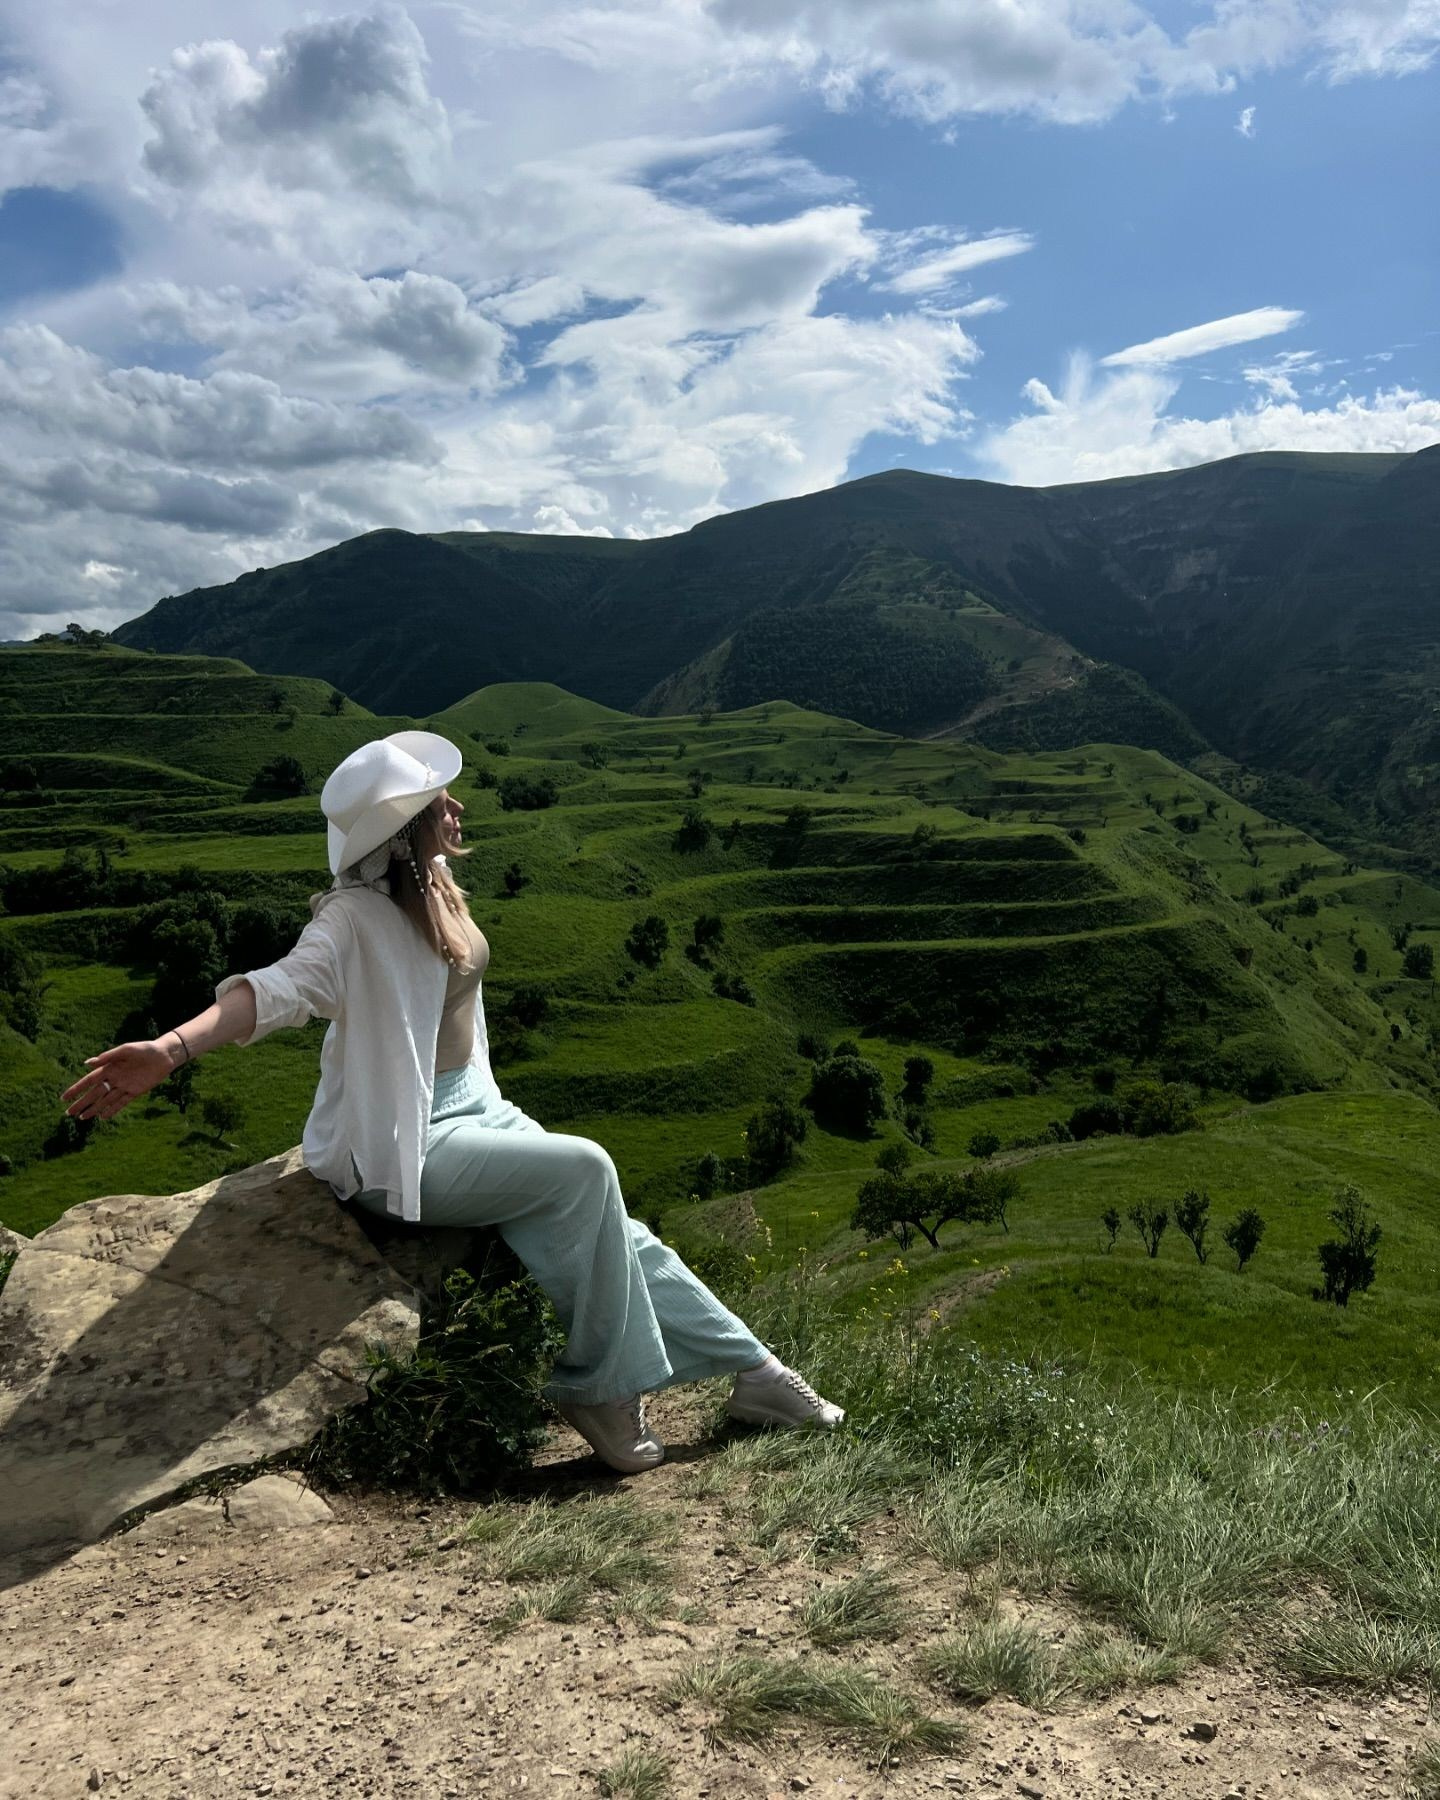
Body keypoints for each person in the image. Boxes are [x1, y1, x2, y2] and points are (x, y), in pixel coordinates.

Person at [59, 730, 843, 1474]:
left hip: (477, 1107)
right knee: (588, 1170)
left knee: (619, 1230)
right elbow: (277, 989)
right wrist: (170, 1050)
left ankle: (758, 1372)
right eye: (441, 802)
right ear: (405, 830)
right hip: (405, 1139)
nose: (458, 808)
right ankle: (599, 1390)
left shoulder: (437, 887)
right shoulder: (351, 918)